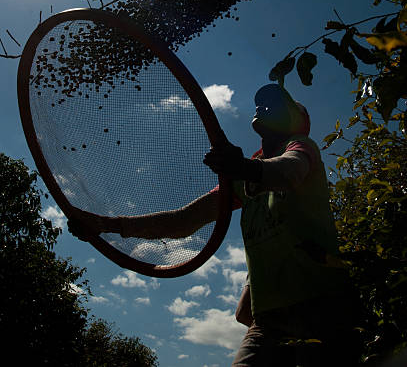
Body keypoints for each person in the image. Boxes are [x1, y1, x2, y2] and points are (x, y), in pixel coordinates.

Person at [69, 83, 362, 366]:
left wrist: (245, 168)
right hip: (269, 321)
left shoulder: (300, 146)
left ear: (296, 119)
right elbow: (183, 221)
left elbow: (291, 169)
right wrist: (105, 225)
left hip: (322, 303)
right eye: (263, 103)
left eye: (277, 102)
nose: (265, 107)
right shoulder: (245, 173)